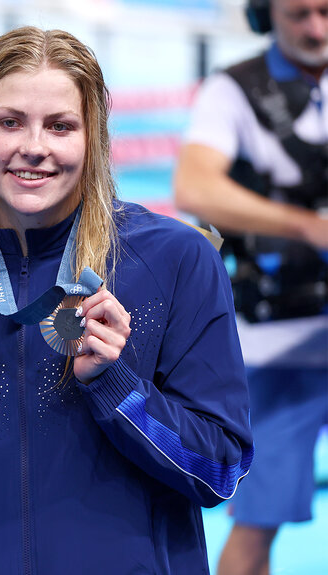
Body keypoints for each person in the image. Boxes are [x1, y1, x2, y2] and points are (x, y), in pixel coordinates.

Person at [0, 26, 254, 574]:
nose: (34, 147)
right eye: (10, 122)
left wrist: (115, 384)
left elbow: (219, 470)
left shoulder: (175, 260)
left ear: (94, 137)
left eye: (61, 126)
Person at [174, 0, 328, 573]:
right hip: (274, 348)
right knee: (254, 526)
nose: (316, 29)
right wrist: (303, 226)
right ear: (266, 16)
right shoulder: (232, 92)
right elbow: (193, 187)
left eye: (326, 11)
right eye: (299, 15)